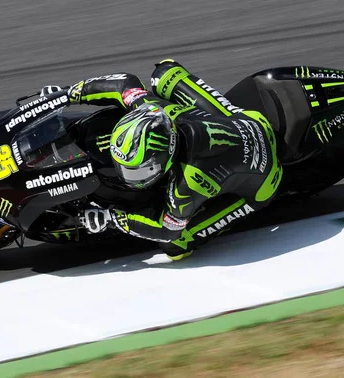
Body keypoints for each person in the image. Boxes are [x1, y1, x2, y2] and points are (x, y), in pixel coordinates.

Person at [67, 59, 282, 260]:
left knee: (177, 246)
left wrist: (113, 219)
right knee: (165, 72)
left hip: (266, 178)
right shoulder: (155, 110)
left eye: (138, 170)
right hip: (248, 120)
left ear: (164, 158)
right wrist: (72, 93)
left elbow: (167, 230)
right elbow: (124, 83)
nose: (128, 176)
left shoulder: (186, 185)